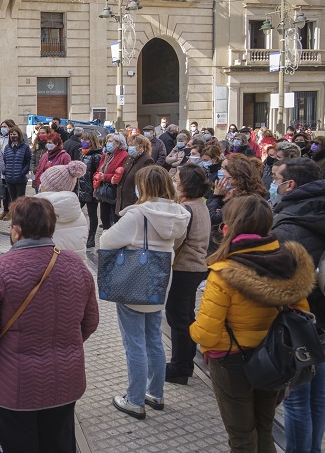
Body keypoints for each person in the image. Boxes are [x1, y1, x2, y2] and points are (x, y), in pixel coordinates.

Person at [0, 196, 99, 453]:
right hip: (65, 380)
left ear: (16, 230)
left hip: (15, 385)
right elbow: (90, 321)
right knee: (60, 444)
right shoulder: (76, 265)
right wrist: (62, 344)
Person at [191, 195, 314, 451]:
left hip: (232, 361)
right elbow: (301, 314)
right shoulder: (290, 263)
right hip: (276, 358)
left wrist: (192, 331)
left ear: (228, 227)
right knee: (264, 428)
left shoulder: (224, 271)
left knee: (241, 435)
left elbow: (206, 333)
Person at [100, 165, 190, 419]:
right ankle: (155, 392)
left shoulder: (138, 214)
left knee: (134, 343)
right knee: (154, 339)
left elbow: (107, 241)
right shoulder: (181, 214)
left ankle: (135, 399)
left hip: (134, 282)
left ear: (144, 187)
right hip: (161, 283)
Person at [269, 158, 325, 452]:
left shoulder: (289, 223)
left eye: (277, 178)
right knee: (319, 397)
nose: (273, 184)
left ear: (290, 184)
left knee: (297, 398)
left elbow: (279, 282)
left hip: (301, 324)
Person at [164, 163, 212, 385]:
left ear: (186, 185)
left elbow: (176, 242)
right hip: (196, 268)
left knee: (178, 319)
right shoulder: (199, 205)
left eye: (177, 179)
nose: (174, 182)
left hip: (184, 268)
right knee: (186, 316)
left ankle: (180, 367)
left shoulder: (186, 209)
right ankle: (184, 363)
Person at [207, 153, 269, 254]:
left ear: (237, 178)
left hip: (228, 247)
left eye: (227, 178)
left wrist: (216, 196)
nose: (222, 176)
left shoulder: (242, 199)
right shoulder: (228, 193)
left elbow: (213, 218)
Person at [35, 161, 88, 259]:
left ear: (47, 187)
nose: (41, 185)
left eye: (43, 183)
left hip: (46, 269)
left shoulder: (36, 211)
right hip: (74, 268)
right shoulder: (78, 214)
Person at [93, 132, 129, 230]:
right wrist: (97, 176)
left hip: (115, 191)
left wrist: (104, 177)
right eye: (107, 141)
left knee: (116, 217)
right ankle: (106, 236)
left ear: (118, 143)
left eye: (110, 141)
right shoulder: (106, 155)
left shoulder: (124, 155)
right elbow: (98, 169)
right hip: (103, 191)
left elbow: (121, 174)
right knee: (104, 217)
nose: (107, 144)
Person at [116, 134, 155, 213]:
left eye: (133, 145)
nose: (130, 148)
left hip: (133, 201)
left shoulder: (147, 160)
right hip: (122, 200)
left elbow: (147, 183)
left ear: (141, 147)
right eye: (129, 145)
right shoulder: (129, 158)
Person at [79, 130, 102, 248]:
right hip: (81, 189)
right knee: (76, 211)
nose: (83, 142)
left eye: (86, 140)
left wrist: (95, 189)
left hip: (90, 190)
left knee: (92, 214)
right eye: (82, 139)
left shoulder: (96, 156)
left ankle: (91, 237)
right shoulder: (83, 153)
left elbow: (97, 173)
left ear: (92, 141)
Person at [2, 127, 31, 220]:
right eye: (11, 134)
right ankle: (14, 218)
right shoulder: (7, 147)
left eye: (14, 134)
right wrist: (5, 171)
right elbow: (4, 161)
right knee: (12, 200)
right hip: (9, 178)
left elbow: (28, 161)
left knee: (20, 200)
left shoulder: (25, 147)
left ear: (18, 135)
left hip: (20, 178)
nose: (12, 136)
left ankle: (21, 218)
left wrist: (22, 172)